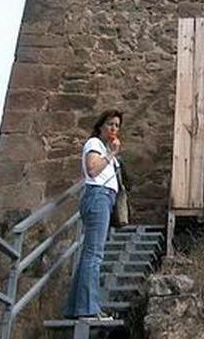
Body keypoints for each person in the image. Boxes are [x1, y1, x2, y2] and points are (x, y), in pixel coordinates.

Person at [64, 109, 123, 320]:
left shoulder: (104, 148)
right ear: (100, 126)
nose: (114, 129)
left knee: (90, 255)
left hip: (104, 199)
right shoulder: (95, 144)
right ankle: (89, 309)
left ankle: (75, 308)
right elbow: (92, 169)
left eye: (117, 125)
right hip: (98, 196)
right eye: (110, 124)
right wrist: (111, 154)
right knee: (94, 255)